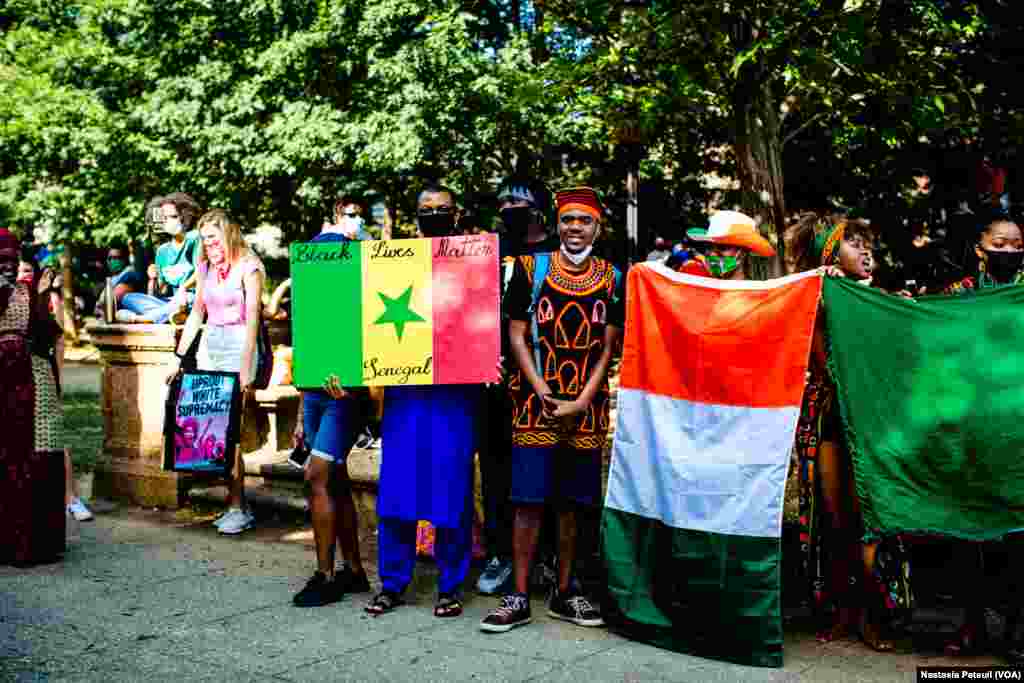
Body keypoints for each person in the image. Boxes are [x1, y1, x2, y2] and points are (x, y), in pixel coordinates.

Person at [480, 187, 623, 633]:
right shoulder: (528, 269)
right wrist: (541, 388)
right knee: (527, 499)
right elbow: (517, 335)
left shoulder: (614, 277)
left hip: (588, 405)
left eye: (584, 221)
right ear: (557, 224)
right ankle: (518, 595)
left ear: (598, 229)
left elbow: (608, 348)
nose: (574, 228)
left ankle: (566, 592)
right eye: (567, 220)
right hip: (532, 401)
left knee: (573, 502)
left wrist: (583, 399)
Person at [786, 213, 905, 652]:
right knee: (837, 521)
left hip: (874, 420)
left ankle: (875, 613)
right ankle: (843, 610)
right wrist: (824, 285)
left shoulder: (885, 301)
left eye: (867, 243)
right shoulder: (816, 297)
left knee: (871, 516)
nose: (866, 251)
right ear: (831, 254)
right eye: (854, 243)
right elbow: (817, 355)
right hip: (830, 418)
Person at [365, 185, 482, 619]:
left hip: (455, 393)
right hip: (404, 392)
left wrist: (492, 359)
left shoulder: (476, 262)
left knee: (451, 488)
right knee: (396, 490)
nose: (433, 215)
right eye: (425, 210)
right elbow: (367, 323)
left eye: (442, 209)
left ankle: (451, 585)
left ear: (457, 213)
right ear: (414, 215)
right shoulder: (392, 263)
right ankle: (392, 583)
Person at [476, 177, 560, 596]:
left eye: (517, 199)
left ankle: (545, 557)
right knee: (495, 468)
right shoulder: (487, 252)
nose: (508, 205)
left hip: (546, 380)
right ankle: (499, 552)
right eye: (503, 200)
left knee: (544, 467)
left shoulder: (561, 253)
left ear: (539, 207)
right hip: (493, 380)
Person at [291, 212, 372, 608]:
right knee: (334, 481)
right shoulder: (310, 307)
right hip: (314, 398)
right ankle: (354, 570)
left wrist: (355, 393)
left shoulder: (358, 307)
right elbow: (305, 367)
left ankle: (325, 575)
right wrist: (298, 414)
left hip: (344, 399)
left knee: (316, 475)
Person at [167, 209, 265, 535]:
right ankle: (233, 503)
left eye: (214, 237)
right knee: (215, 429)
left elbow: (252, 321)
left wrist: (245, 370)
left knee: (233, 430)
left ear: (230, 234)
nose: (209, 243)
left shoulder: (249, 266)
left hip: (239, 346)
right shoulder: (205, 266)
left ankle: (238, 507)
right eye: (205, 238)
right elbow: (197, 314)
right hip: (211, 345)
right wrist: (179, 357)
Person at [0, 228, 66, 566]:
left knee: (39, 450)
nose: (7, 267)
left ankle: (36, 542)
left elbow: (51, 335)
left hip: (32, 377)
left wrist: (46, 296)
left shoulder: (30, 290)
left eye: (12, 260)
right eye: (2, 260)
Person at [19, 253, 95, 523]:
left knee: (54, 436)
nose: (23, 273)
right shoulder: (10, 299)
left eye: (28, 269)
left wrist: (58, 375)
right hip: (14, 376)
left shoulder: (49, 301)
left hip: (43, 371)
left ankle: (71, 498)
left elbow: (60, 341)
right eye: (20, 269)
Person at [120, 193, 201, 323]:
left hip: (193, 298)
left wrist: (184, 288)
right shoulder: (162, 251)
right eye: (164, 218)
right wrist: (153, 279)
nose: (168, 221)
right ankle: (172, 316)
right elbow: (162, 291)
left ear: (185, 216)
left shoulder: (195, 239)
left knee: (189, 298)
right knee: (128, 298)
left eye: (173, 216)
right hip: (171, 302)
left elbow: (201, 272)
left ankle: (144, 318)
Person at [93, 242, 144, 319]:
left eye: (116, 258)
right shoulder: (110, 279)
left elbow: (117, 294)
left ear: (124, 259)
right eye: (110, 258)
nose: (113, 261)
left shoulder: (130, 274)